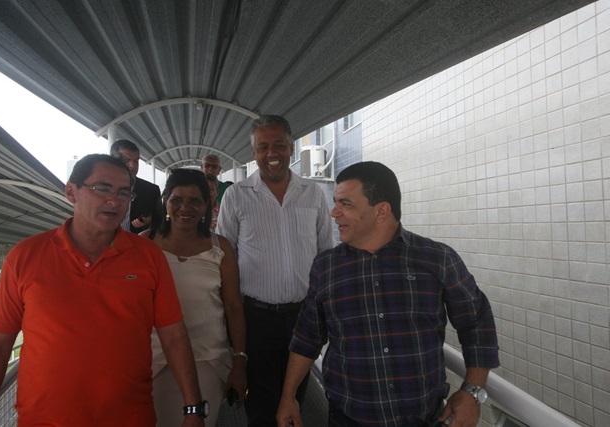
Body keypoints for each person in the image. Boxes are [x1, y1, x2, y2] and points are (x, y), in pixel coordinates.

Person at [0, 154, 206, 427]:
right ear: (72, 192)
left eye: (124, 193)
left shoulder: (149, 256)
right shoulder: (25, 257)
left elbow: (174, 335)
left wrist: (193, 409)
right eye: (102, 188)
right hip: (43, 420)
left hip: (130, 418)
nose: (114, 201)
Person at [277, 161, 500, 427]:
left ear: (381, 211)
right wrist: (288, 396)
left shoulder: (437, 259)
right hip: (347, 419)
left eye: (345, 204)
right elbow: (307, 338)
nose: (333, 213)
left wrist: (472, 392)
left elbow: (476, 322)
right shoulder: (326, 267)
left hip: (426, 419)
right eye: (335, 202)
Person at [216, 115, 334, 426]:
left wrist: (325, 313)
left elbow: (326, 256)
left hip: (304, 318)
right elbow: (224, 260)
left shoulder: (313, 193)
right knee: (260, 405)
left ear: (291, 148)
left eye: (279, 145)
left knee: (296, 399)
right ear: (253, 152)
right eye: (263, 147)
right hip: (255, 319)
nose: (271, 153)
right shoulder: (236, 195)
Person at [141, 168, 247, 426]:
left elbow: (233, 306)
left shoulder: (220, 247)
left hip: (207, 359)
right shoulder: (145, 244)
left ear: (207, 205)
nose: (185, 208)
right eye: (177, 199)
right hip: (153, 359)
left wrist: (239, 361)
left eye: (195, 201)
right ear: (166, 201)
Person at [111, 139, 162, 233]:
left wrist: (147, 225)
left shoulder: (151, 191)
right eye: (126, 160)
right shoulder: (99, 188)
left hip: (137, 240)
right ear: (113, 161)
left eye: (136, 161)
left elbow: (160, 223)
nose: (133, 165)